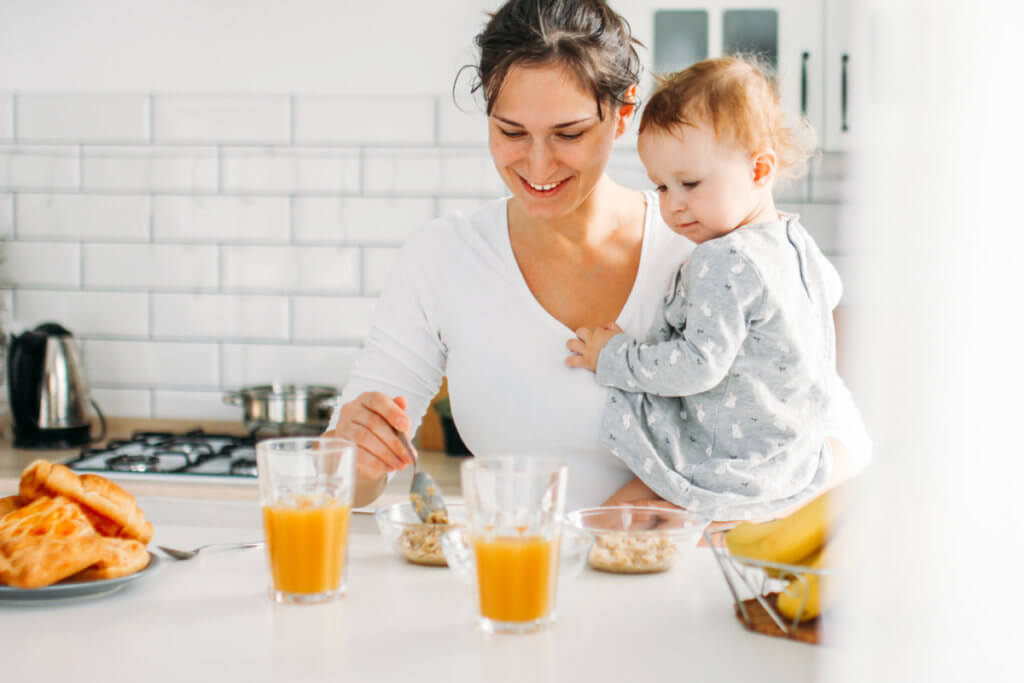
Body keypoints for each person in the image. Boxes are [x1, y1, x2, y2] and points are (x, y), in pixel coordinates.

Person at [325, 0, 870, 513]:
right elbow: (346, 485)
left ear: (622, 112)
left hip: (690, 587)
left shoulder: (714, 246)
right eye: (511, 131)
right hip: (518, 587)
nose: (538, 166)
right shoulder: (444, 258)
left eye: (569, 133)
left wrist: (690, 502)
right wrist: (356, 452)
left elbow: (843, 438)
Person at [566, 56, 839, 520]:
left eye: (689, 183)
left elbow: (697, 367)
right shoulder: (795, 241)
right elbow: (826, 300)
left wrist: (613, 356)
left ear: (759, 171)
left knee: (611, 520)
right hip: (793, 460)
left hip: (733, 466)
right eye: (662, 188)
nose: (674, 206)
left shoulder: (725, 258)